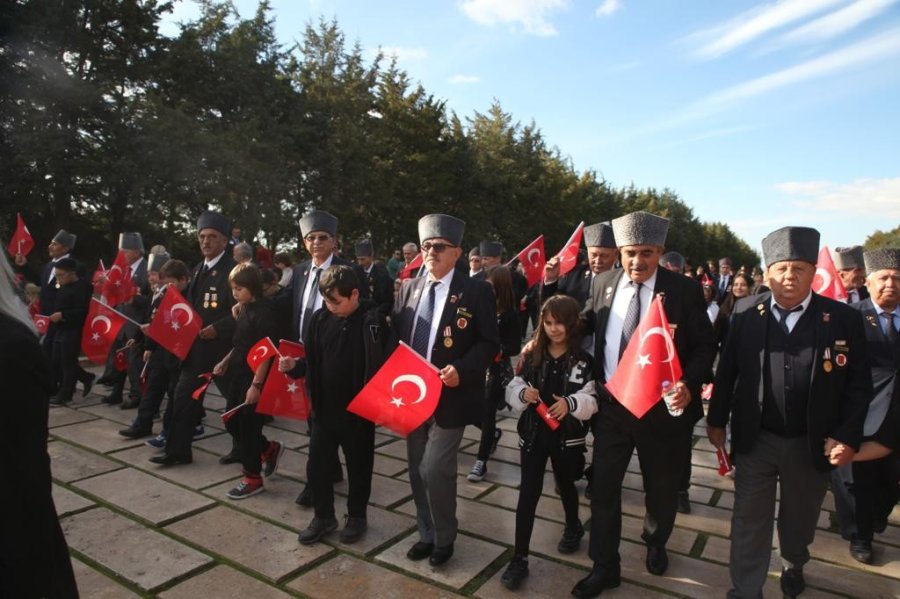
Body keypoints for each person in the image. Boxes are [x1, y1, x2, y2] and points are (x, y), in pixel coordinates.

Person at [706, 226, 872, 599]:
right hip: (756, 438)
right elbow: (727, 371)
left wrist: (846, 435)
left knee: (800, 518)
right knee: (749, 518)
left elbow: (859, 386)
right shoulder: (746, 313)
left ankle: (793, 561)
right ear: (767, 273)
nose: (789, 276)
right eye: (781, 268)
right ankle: (746, 589)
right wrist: (716, 420)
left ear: (814, 272)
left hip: (811, 442)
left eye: (799, 268)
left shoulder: (842, 318)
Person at [572, 211, 717, 598]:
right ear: (620, 252)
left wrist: (688, 383)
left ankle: (655, 541)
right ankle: (605, 566)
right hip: (613, 407)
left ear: (660, 251)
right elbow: (586, 324)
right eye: (630, 253)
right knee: (604, 489)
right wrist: (547, 332)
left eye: (647, 253)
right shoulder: (603, 283)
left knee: (661, 489)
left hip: (661, 411)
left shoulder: (683, 290)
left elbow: (705, 346)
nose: (638, 261)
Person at [392, 214, 500, 567]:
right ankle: (426, 532)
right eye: (426, 246)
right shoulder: (409, 288)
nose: (431, 252)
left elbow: (489, 343)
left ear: (457, 252)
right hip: (412, 394)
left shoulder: (476, 291)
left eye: (439, 247)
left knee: (435, 468)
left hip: (451, 395)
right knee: (415, 469)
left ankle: (445, 536)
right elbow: (397, 338)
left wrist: (463, 370)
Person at [284, 265, 387, 544]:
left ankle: (357, 516)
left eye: (336, 301)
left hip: (358, 412)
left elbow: (384, 363)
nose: (330, 306)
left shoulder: (372, 321)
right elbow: (312, 361)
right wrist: (295, 367)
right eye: (326, 300)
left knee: (358, 467)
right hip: (324, 408)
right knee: (317, 466)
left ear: (354, 294)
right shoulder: (320, 319)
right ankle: (323, 516)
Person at [500, 295, 598, 590]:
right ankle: (519, 557)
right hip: (533, 435)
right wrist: (521, 394)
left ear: (573, 324)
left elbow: (592, 399)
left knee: (566, 485)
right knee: (528, 494)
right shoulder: (532, 354)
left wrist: (571, 403)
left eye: (561, 323)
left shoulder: (584, 360)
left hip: (567, 439)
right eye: (549, 322)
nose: (554, 329)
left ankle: (573, 525)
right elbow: (514, 385)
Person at [0, 249, 80, 597]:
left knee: (67, 366)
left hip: (13, 526)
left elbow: (24, 464)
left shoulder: (11, 347)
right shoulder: (49, 276)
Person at [289, 210, 366, 505]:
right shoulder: (300, 271)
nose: (317, 242)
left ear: (334, 240)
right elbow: (290, 303)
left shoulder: (349, 270)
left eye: (323, 237)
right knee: (315, 420)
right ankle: (328, 471)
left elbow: (365, 307)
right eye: (311, 238)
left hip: (337, 357)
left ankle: (317, 482)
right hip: (304, 353)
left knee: (327, 421)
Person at [150, 211, 238, 466]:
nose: (206, 241)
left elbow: (244, 311)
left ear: (224, 241)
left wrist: (218, 328)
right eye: (202, 236)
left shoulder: (233, 271)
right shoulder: (198, 269)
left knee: (237, 406)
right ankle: (178, 452)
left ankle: (256, 448)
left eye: (212, 236)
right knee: (183, 400)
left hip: (224, 352)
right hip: (197, 350)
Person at [831, 247, 900, 564]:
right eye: (884, 278)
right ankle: (860, 536)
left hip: (896, 416)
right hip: (861, 411)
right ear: (868, 282)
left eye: (897, 278)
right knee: (855, 480)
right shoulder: (849, 317)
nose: (890, 284)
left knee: (890, 480)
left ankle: (876, 516)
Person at [211, 263, 284, 499]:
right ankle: (268, 448)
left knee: (249, 427)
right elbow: (241, 342)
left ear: (252, 287)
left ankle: (252, 477)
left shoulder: (265, 313)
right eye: (233, 288)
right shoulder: (243, 308)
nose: (235, 293)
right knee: (231, 420)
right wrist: (225, 361)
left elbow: (266, 352)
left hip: (255, 377)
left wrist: (256, 386)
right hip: (238, 371)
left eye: (239, 288)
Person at [119, 259, 190, 440]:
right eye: (166, 283)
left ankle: (170, 430)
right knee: (152, 388)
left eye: (172, 283)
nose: (168, 287)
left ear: (183, 279)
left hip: (178, 353)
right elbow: (154, 318)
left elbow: (185, 326)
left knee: (174, 393)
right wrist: (148, 345)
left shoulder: (191, 295)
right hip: (160, 350)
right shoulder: (163, 294)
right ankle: (142, 424)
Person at [468, 265, 522, 482]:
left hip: (496, 370)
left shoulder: (510, 314)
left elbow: (515, 346)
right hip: (475, 366)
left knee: (488, 412)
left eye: (491, 287)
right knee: (469, 411)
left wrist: (498, 350)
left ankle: (481, 461)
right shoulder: (478, 307)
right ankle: (492, 434)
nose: (486, 290)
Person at [101, 232, 150, 409]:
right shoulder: (121, 268)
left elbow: (151, 299)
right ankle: (116, 391)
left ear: (136, 251)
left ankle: (137, 394)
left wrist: (134, 299)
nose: (122, 255)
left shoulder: (146, 270)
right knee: (119, 357)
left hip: (137, 322)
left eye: (125, 251)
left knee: (133, 361)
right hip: (121, 319)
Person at [47, 258, 92, 406]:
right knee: (58, 360)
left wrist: (63, 315)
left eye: (61, 275)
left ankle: (66, 395)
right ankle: (86, 377)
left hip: (73, 329)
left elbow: (82, 311)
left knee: (68, 363)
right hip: (59, 327)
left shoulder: (83, 287)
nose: (58, 278)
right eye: (57, 275)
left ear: (72, 273)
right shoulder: (63, 286)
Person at [354, 238, 393, 315]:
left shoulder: (382, 274)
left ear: (371, 257)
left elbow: (387, 300)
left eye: (363, 259)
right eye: (358, 260)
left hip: (377, 314)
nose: (360, 263)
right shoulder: (355, 272)